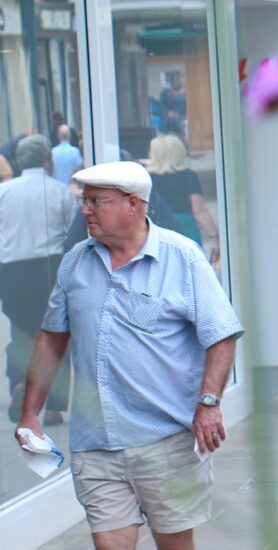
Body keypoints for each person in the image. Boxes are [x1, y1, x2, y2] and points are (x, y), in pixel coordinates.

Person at [13, 161, 244, 550]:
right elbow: (52, 339)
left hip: (165, 439)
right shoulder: (75, 262)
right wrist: (31, 413)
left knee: (174, 545)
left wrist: (209, 402)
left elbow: (221, 335)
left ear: (133, 204)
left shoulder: (182, 257)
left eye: (95, 202)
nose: (84, 210)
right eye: (84, 201)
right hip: (95, 443)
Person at [1, 136, 76, 424]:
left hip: (13, 270)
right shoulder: (59, 192)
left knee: (21, 332)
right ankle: (55, 406)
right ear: (48, 160)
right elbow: (71, 232)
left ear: (19, 162)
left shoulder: (4, 192)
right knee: (55, 334)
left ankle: (20, 383)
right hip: (50, 267)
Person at [146, 135, 220, 262]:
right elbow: (198, 210)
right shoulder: (188, 176)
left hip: (156, 229)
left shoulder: (147, 178)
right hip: (185, 227)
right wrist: (214, 236)